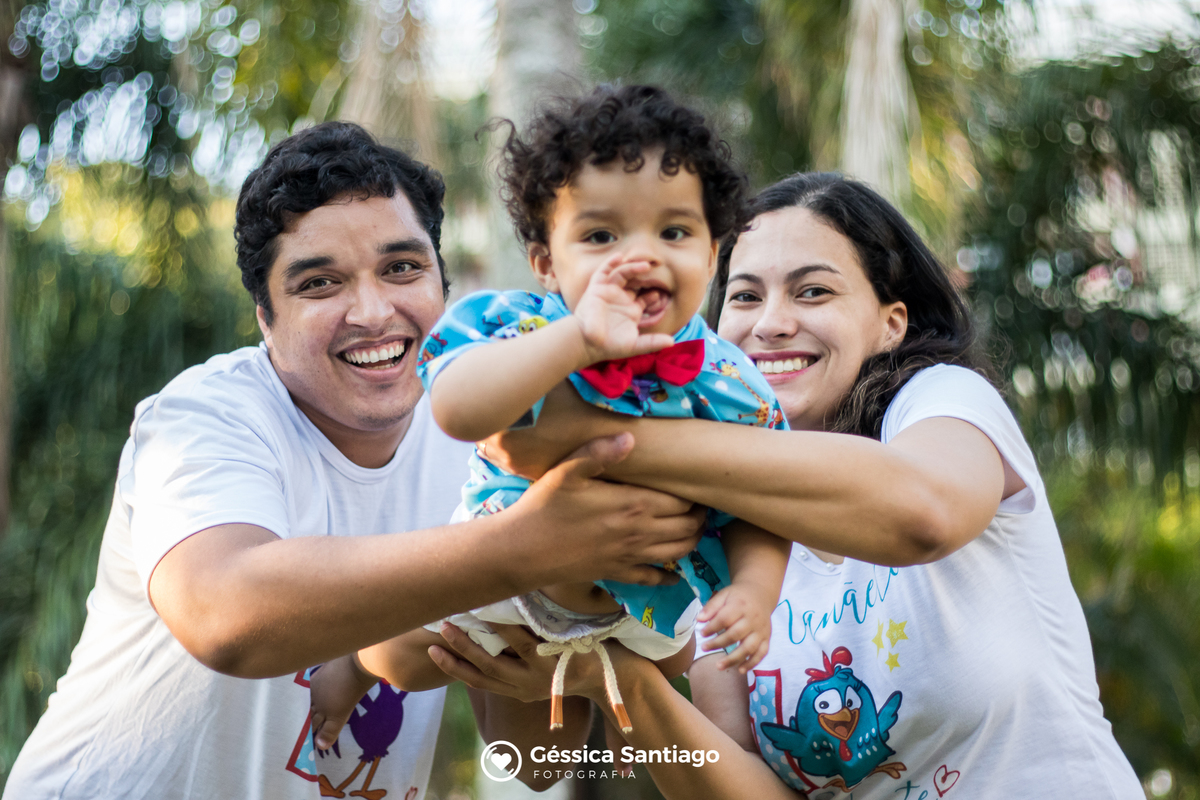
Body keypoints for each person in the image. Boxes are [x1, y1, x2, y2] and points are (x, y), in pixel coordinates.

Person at [2, 122, 705, 800]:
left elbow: (535, 763)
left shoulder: (498, 440)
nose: (373, 311)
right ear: (263, 318)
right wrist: (523, 548)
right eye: (319, 284)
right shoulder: (206, 416)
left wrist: (547, 659)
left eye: (402, 269)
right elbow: (224, 614)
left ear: (442, 284)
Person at [427, 173, 1144, 798]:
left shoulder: (939, 403)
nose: (770, 324)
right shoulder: (709, 524)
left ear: (890, 321)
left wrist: (594, 438)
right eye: (743, 296)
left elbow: (923, 511)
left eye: (813, 291)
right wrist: (619, 682)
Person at [308, 85, 789, 752]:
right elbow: (457, 406)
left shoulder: (731, 380)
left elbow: (764, 505)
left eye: (673, 231)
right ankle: (351, 665)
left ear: (712, 256)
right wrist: (578, 341)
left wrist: (757, 594)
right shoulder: (525, 327)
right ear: (545, 263)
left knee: (680, 662)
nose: (640, 256)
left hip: (639, 603)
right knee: (403, 657)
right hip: (507, 567)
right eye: (600, 235)